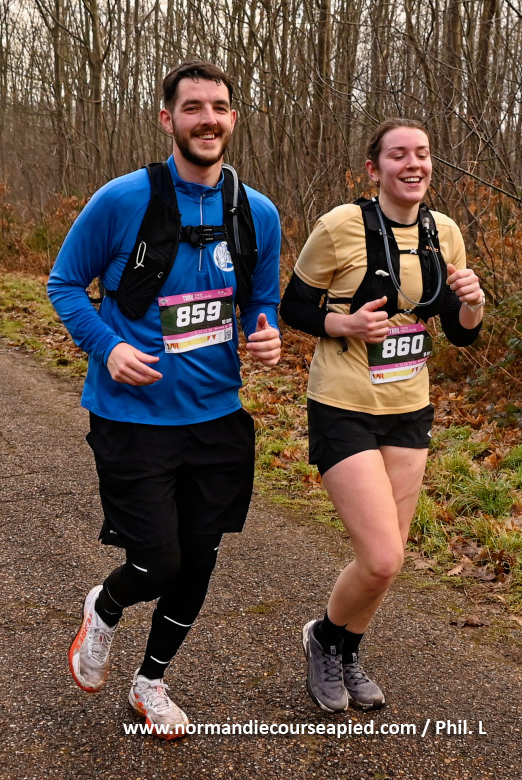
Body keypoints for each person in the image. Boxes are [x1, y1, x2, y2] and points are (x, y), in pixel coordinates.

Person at [48, 61, 281, 739]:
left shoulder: (256, 211)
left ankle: (150, 681)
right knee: (158, 561)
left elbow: (261, 299)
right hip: (132, 417)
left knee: (199, 561)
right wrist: (107, 347)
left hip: (218, 418)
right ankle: (106, 605)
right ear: (167, 119)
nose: (208, 119)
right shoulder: (123, 199)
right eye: (192, 107)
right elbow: (65, 284)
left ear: (233, 118)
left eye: (219, 107)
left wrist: (265, 333)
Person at [280, 118, 484, 713]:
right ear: (374, 169)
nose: (413, 164)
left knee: (386, 561)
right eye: (398, 155)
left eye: (422, 153)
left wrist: (473, 304)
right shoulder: (338, 226)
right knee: (384, 555)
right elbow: (294, 306)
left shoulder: (444, 232)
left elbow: (461, 333)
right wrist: (344, 323)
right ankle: (323, 637)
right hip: (343, 404)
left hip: (408, 408)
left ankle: (345, 650)